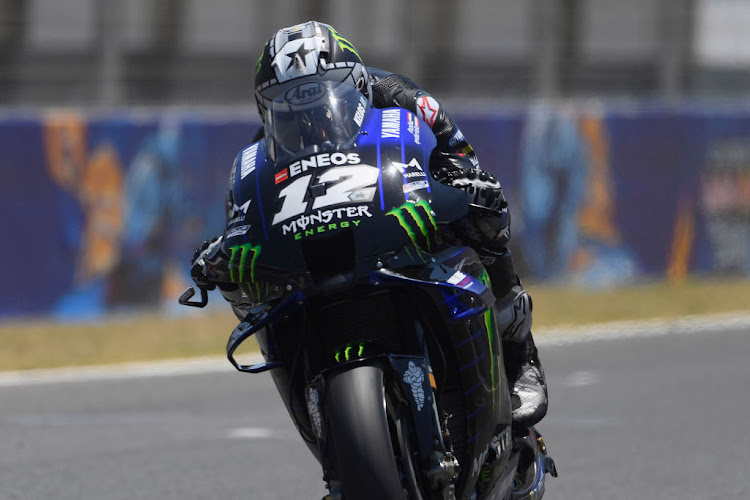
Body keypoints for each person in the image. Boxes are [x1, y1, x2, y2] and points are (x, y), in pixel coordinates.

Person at [192, 21, 547, 430]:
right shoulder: (263, 152)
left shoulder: (404, 98)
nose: (310, 118)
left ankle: (520, 353)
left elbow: (463, 158)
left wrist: (461, 192)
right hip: (328, 253)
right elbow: (245, 222)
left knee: (485, 221)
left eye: (324, 99)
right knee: (248, 286)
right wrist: (227, 255)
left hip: (407, 219)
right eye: (288, 106)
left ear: (357, 84)